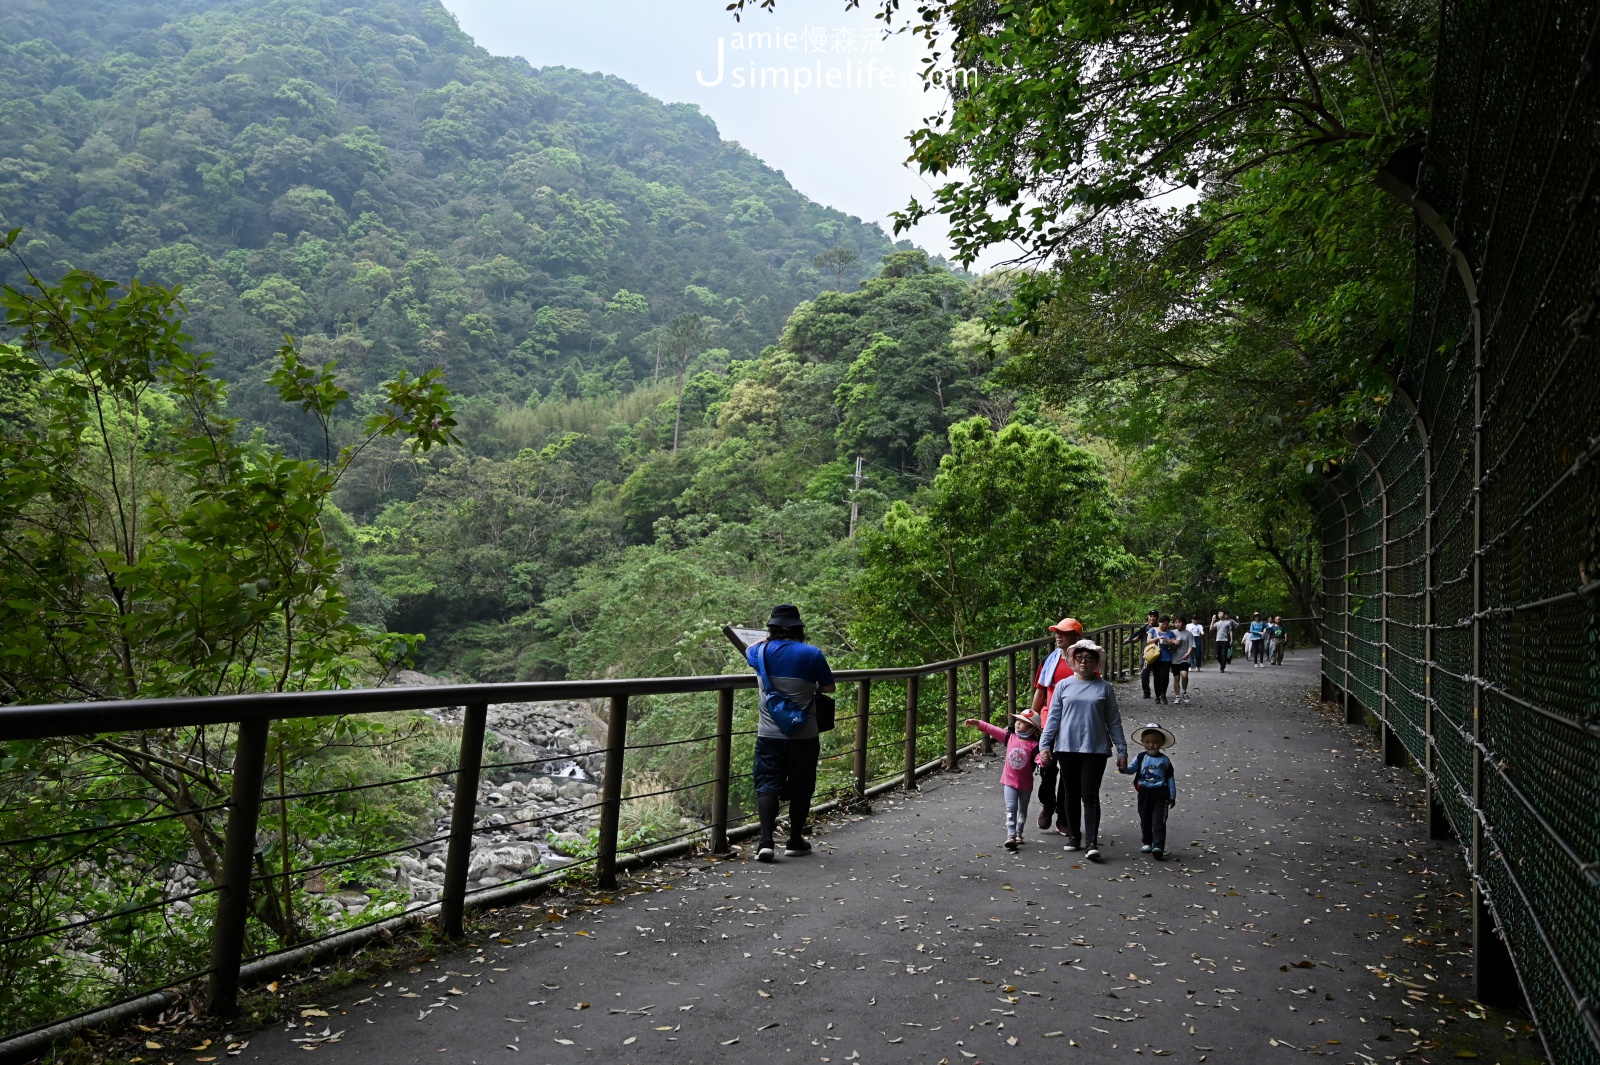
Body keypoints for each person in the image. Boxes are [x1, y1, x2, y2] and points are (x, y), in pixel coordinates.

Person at [745, 604, 835, 863]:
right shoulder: (812, 654)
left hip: (768, 734)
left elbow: (750, 650)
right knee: (802, 785)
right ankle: (794, 840)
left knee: (767, 784)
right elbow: (829, 688)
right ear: (799, 629)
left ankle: (765, 842)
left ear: (771, 628)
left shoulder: (757, 651)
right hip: (804, 733)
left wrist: (766, 641)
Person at [1038, 640, 1128, 861]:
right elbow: (1053, 719)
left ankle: (1091, 842)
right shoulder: (1063, 686)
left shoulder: (1105, 688)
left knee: (1089, 794)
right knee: (1070, 793)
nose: (1084, 662)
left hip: (1095, 748)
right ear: (1073, 661)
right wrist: (1044, 745)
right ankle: (1073, 836)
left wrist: (1122, 750)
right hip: (1066, 747)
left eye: (1089, 658)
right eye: (1080, 658)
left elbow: (1113, 721)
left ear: (1096, 662)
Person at [1030, 617, 1085, 833]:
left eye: (1063, 632)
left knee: (1069, 772)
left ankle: (1063, 815)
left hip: (1073, 723)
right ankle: (1048, 804)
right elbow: (1040, 691)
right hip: (1048, 721)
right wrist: (1032, 719)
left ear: (1075, 637)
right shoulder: (1049, 660)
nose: (1057, 636)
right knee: (1047, 768)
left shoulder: (1084, 660)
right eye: (1056, 632)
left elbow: (1093, 689)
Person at [965, 708, 1041, 851]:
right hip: (1009, 781)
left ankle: (1019, 832)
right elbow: (993, 730)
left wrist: (1044, 762)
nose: (1018, 723)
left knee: (1022, 810)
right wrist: (978, 723)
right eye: (1018, 720)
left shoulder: (1035, 745)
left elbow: (1039, 759)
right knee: (1011, 808)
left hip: (1025, 784)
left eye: (1023, 722)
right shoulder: (1010, 738)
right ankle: (1010, 835)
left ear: (1033, 729)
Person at [1119, 723, 1177, 860]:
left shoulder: (1165, 760)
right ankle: (1146, 842)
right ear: (1142, 742)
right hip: (1144, 793)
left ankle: (1158, 846)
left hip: (1161, 793)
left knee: (1159, 821)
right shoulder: (1140, 758)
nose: (1151, 745)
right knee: (1145, 818)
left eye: (1155, 742)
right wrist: (1123, 768)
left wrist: (1172, 796)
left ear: (1162, 743)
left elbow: (1170, 779)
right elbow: (1131, 769)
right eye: (1148, 742)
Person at [1128, 610, 1160, 700]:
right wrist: (1130, 640)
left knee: (1157, 674)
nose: (1152, 618)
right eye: (1150, 616)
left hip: (1157, 653)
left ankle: (1159, 692)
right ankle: (1146, 692)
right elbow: (1138, 638)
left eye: (1154, 616)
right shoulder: (1144, 627)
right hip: (1146, 653)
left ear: (1157, 618)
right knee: (1144, 673)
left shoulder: (1160, 627)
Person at [1169, 617, 1194, 704]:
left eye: (1179, 622)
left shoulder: (1188, 634)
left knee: (1184, 675)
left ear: (1183, 623)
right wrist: (1173, 643)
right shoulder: (1171, 632)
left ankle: (1184, 691)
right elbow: (1167, 643)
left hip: (1184, 658)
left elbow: (1191, 645)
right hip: (1174, 658)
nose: (1177, 624)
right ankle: (1177, 697)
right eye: (1176, 622)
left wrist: (1188, 653)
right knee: (1176, 678)